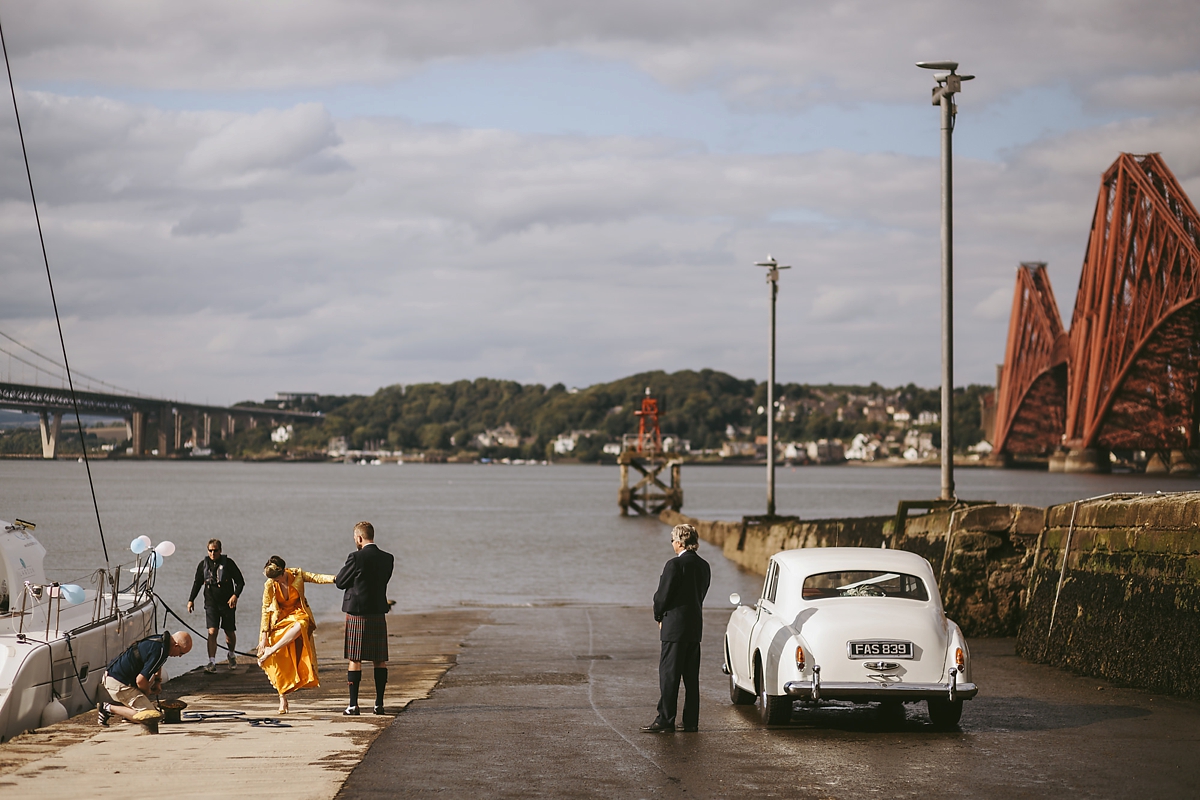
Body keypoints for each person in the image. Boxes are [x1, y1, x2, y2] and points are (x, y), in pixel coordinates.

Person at [642, 523, 710, 733]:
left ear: (679, 542)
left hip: (674, 627)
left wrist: (658, 615)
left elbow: (663, 596)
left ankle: (665, 719)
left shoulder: (674, 565)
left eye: (672, 540)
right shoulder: (704, 565)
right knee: (691, 677)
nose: (672, 544)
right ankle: (690, 721)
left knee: (669, 675)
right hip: (694, 627)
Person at [256, 555, 336, 714]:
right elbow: (266, 610)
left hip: (298, 614)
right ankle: (282, 697)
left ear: (282, 572)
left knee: (302, 623)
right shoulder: (270, 584)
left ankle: (274, 648)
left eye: (277, 578)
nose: (275, 582)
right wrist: (264, 638)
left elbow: (316, 577)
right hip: (280, 619)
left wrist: (335, 579)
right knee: (276, 656)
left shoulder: (297, 574)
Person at [334, 521, 394, 716]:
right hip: (377, 611)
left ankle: (353, 705)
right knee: (379, 659)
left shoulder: (355, 557)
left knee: (355, 659)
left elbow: (341, 582)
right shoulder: (388, 558)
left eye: (355, 539)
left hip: (357, 613)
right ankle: (379, 704)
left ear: (359, 538)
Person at [97, 630, 193, 730]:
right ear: (176, 646)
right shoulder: (160, 650)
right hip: (118, 682)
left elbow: (156, 664)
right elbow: (140, 680)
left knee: (149, 708)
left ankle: (128, 712)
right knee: (151, 717)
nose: (180, 656)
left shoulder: (161, 642)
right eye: (181, 653)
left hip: (116, 676)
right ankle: (107, 708)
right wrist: (146, 691)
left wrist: (157, 681)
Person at [187, 538, 246, 673]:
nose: (213, 553)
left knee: (229, 632)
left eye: (215, 550)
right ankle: (212, 662)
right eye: (210, 551)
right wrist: (191, 600)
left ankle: (231, 655)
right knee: (212, 631)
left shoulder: (229, 563)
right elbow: (197, 583)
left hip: (227, 603)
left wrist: (235, 595)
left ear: (220, 550)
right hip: (211, 602)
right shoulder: (203, 565)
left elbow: (240, 582)